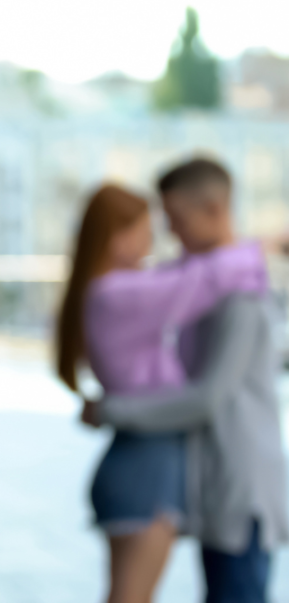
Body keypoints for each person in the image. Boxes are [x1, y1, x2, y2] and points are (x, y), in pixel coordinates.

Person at [82, 159, 288, 603]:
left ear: (214, 209)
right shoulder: (205, 293)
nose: (170, 235)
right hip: (217, 492)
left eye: (176, 221)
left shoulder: (239, 297)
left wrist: (108, 410)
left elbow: (206, 399)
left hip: (241, 494)